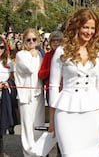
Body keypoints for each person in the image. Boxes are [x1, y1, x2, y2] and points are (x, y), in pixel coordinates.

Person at [49, 8, 99, 157]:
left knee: (92, 153)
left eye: (92, 28)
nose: (89, 32)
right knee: (69, 153)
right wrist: (52, 119)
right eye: (85, 27)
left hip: (93, 110)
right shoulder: (62, 51)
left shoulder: (98, 51)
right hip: (66, 111)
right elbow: (53, 86)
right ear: (77, 27)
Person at [15, 28, 45, 157]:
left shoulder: (39, 54)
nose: (31, 42)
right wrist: (33, 55)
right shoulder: (21, 55)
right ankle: (28, 153)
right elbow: (31, 69)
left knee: (38, 124)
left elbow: (42, 72)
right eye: (29, 40)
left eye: (34, 39)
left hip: (38, 93)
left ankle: (38, 151)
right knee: (27, 125)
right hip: (25, 95)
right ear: (24, 41)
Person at [38, 30, 64, 104]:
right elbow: (41, 74)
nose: (56, 42)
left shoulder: (66, 55)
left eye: (58, 40)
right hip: (51, 91)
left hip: (65, 91)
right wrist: (52, 70)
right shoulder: (47, 55)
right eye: (53, 40)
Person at [0, 36, 16, 138]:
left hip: (4, 98)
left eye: (1, 47)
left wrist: (7, 84)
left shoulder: (9, 62)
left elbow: (13, 80)